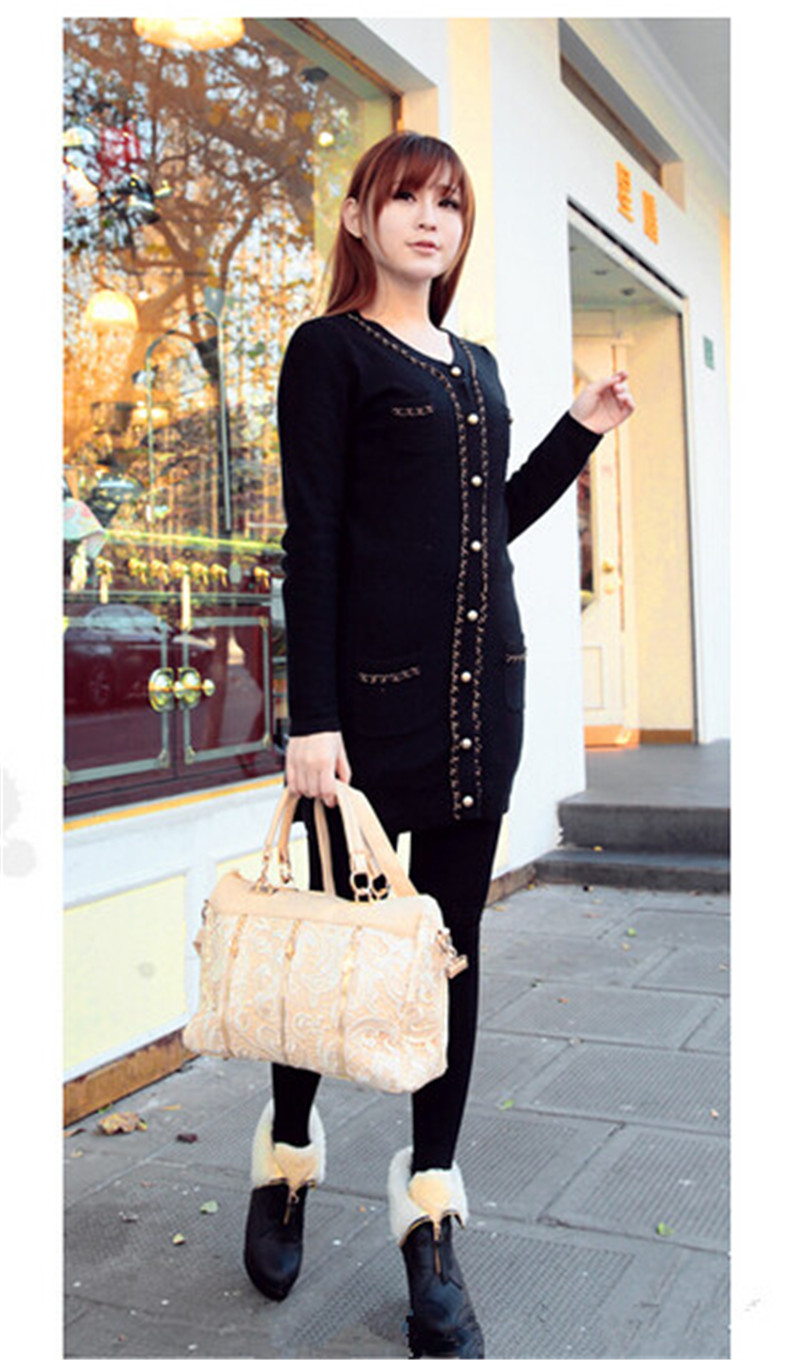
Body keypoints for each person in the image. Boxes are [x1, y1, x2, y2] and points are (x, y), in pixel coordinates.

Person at [243, 131, 634, 1358]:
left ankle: (427, 1215)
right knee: (328, 955)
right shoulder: (328, 352)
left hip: (477, 707)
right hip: (359, 720)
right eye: (404, 198)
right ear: (358, 219)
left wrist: (575, 432)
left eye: (447, 204)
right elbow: (314, 538)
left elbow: (485, 523)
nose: (428, 218)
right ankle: (286, 1159)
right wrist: (311, 718)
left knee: (450, 959)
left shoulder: (476, 366)